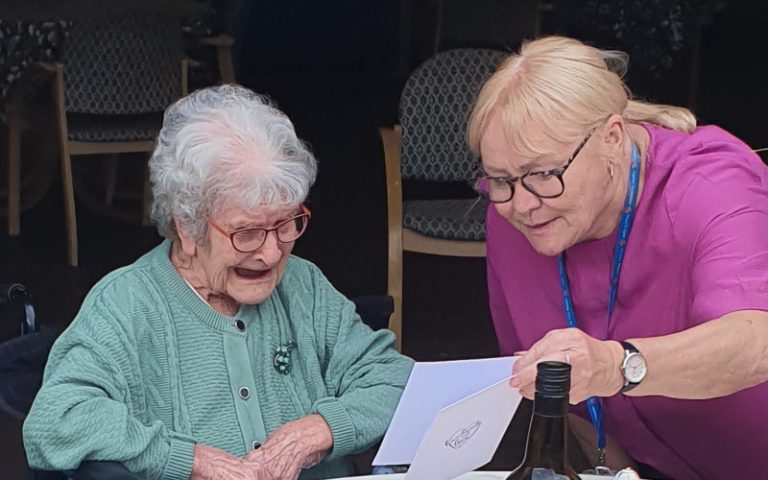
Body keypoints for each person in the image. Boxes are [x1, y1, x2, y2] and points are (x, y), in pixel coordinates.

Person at [23, 85, 414, 480]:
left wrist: (318, 431)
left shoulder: (303, 286)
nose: (272, 253)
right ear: (187, 227)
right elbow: (56, 420)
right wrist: (189, 460)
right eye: (247, 233)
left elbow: (397, 380)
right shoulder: (127, 304)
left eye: (286, 224)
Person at [467, 36, 768, 479]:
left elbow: (755, 342)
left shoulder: (710, 183)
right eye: (499, 179)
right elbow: (567, 392)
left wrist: (615, 366)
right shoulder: (513, 213)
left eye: (543, 174)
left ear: (611, 138)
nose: (523, 204)